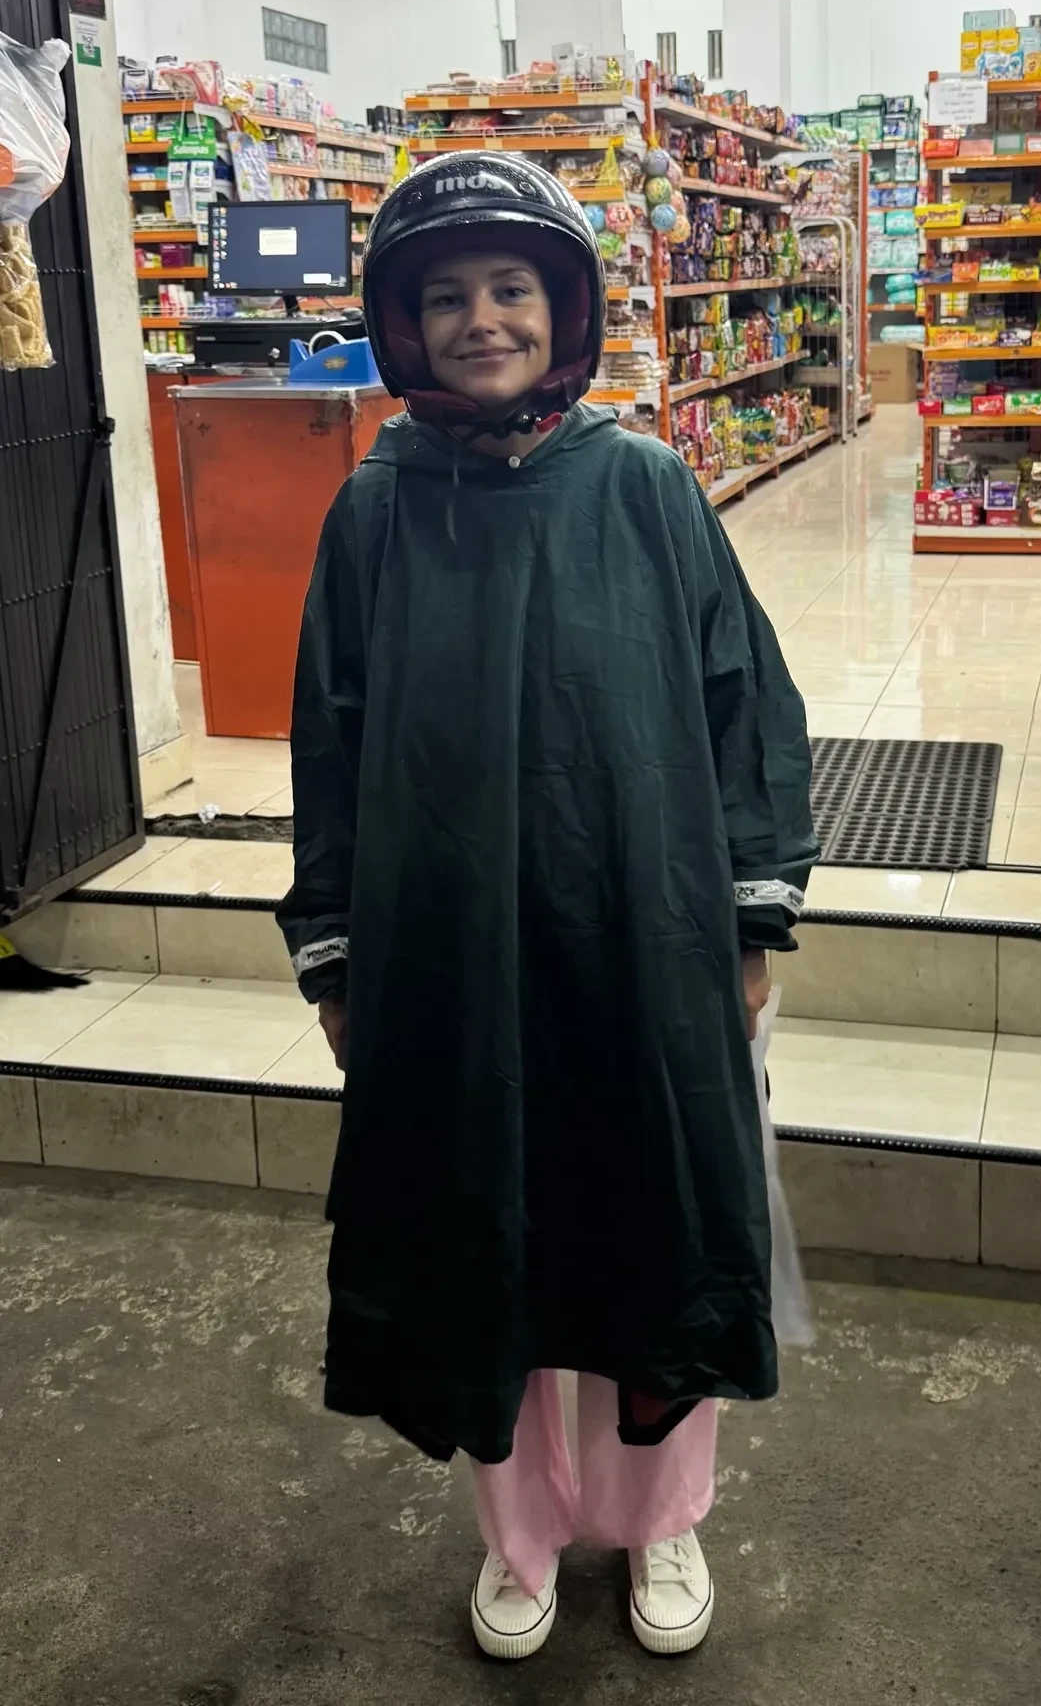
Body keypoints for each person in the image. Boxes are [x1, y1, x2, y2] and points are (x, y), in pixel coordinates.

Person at [277, 151, 816, 1661]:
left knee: (653, 1226)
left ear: (564, 306)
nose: (483, 321)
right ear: (402, 324)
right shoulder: (374, 511)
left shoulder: (644, 487)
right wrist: (338, 954)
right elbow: (331, 742)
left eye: (511, 288)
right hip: (449, 952)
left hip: (640, 937)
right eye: (447, 297)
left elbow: (743, 702)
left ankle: (662, 1519)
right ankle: (517, 1538)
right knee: (483, 1235)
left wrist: (750, 918)